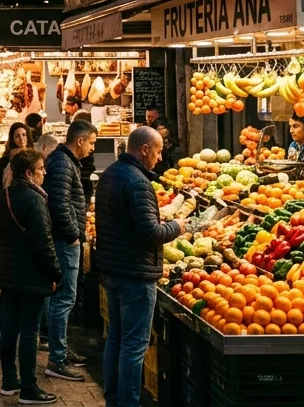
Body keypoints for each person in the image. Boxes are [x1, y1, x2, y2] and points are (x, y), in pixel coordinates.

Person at [94, 127, 188, 407]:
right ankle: (128, 403)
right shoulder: (137, 182)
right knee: (134, 346)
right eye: (158, 152)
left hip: (113, 269)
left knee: (116, 339)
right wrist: (177, 226)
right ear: (145, 149)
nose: (160, 158)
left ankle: (113, 399)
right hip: (135, 274)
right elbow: (151, 233)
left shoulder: (111, 173)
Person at [0, 149, 62, 405]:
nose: (45, 173)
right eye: (41, 169)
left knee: (9, 329)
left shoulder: (5, 196)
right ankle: (29, 388)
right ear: (28, 173)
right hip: (31, 276)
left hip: (9, 272)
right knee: (30, 332)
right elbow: (43, 243)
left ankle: (9, 381)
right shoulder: (35, 200)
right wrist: (55, 273)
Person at [42, 120, 96, 381]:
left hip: (65, 239)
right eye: (92, 143)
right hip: (65, 241)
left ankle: (60, 349)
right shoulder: (63, 163)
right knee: (64, 298)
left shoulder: (64, 161)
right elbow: (60, 204)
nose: (92, 149)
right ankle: (57, 359)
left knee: (62, 298)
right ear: (80, 141)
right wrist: (73, 235)